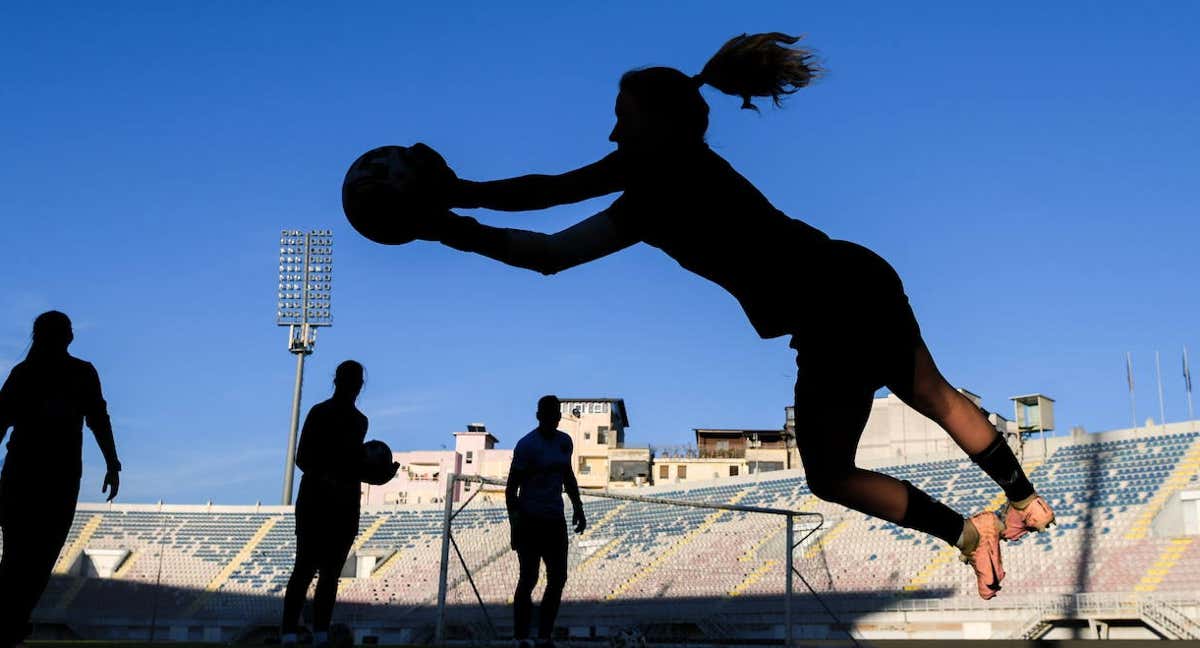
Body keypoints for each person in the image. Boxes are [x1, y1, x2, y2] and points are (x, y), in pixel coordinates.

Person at [405, 33, 1055, 599]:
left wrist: (451, 208)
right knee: (936, 398)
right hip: (858, 274)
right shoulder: (664, 184)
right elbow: (549, 248)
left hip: (827, 311)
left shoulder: (660, 172)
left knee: (832, 476)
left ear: (657, 122)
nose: (612, 134)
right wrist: (452, 223)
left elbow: (548, 201)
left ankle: (970, 534)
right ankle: (1025, 500)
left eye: (620, 118)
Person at [0, 311, 121, 648]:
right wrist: (112, 463)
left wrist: (113, 463)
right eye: (67, 330)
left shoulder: (26, 373)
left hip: (26, 476)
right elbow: (99, 419)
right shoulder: (77, 373)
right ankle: (11, 623)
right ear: (64, 336)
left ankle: (11, 622)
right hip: (55, 478)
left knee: (20, 555)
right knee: (36, 556)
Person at [280, 360, 395, 647]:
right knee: (306, 568)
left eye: (354, 380)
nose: (352, 386)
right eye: (350, 380)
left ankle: (316, 633)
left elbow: (355, 468)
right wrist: (329, 476)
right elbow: (303, 458)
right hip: (318, 500)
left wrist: (381, 476)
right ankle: (290, 633)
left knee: (329, 572)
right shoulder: (320, 413)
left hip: (342, 504)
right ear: (342, 382)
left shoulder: (359, 421)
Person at [506, 395, 586, 647]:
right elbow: (511, 490)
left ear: (558, 416)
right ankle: (520, 636)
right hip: (530, 520)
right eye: (548, 414)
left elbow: (568, 476)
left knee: (558, 579)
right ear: (539, 416)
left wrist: (578, 507)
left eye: (556, 414)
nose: (553, 418)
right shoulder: (527, 445)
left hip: (555, 520)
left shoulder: (565, 442)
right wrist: (515, 526)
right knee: (528, 578)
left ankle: (544, 636)